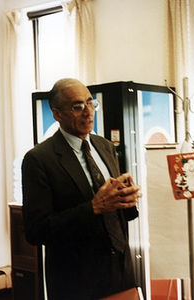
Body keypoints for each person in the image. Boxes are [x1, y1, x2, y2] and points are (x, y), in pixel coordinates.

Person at [22, 78, 141, 300]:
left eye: (90, 103)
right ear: (57, 114)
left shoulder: (105, 147)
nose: (88, 112)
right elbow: (35, 230)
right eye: (77, 107)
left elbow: (118, 212)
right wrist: (93, 208)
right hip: (76, 280)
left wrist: (127, 201)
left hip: (121, 270)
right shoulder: (39, 159)